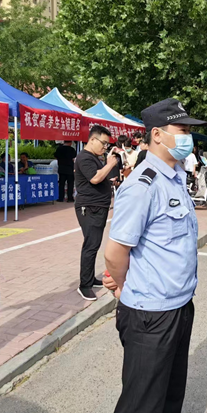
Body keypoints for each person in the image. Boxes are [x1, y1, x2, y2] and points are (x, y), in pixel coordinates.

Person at [103, 98, 205, 413]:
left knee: (170, 399)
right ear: (157, 135)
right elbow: (115, 252)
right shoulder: (142, 185)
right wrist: (123, 288)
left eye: (189, 131)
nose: (188, 137)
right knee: (141, 409)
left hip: (180, 306)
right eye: (182, 130)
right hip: (150, 315)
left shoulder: (175, 177)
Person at [74, 125, 118, 301]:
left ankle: (90, 278)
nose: (105, 147)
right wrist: (110, 164)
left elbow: (98, 177)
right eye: (103, 143)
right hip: (89, 207)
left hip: (97, 206)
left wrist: (109, 180)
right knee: (91, 245)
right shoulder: (84, 157)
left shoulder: (93, 157)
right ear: (92, 139)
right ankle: (84, 285)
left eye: (107, 144)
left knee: (94, 244)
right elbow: (94, 178)